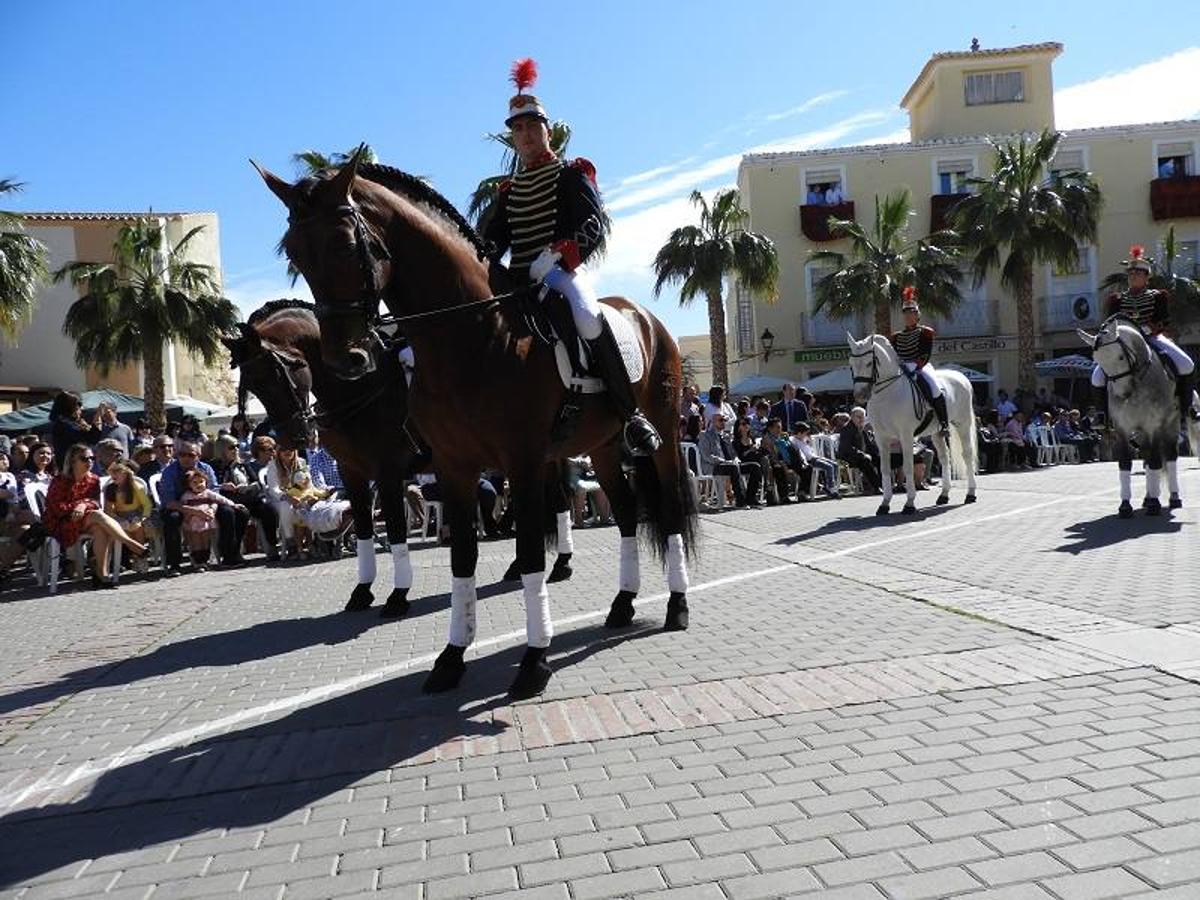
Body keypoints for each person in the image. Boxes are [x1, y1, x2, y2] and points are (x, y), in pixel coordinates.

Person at [482, 58, 660, 455]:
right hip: (518, 277)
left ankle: (629, 414)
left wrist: (558, 256)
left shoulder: (570, 173)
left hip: (560, 272)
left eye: (532, 126)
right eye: (518, 130)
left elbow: (591, 224)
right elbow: (491, 240)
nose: (525, 135)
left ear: (548, 130)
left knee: (586, 314)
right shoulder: (508, 191)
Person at [1092, 245, 1199, 424]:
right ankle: (1102, 417)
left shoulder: (1158, 296)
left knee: (1186, 364)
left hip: (1153, 338)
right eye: (1130, 273)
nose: (1133, 276)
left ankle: (1187, 408)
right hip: (1124, 342)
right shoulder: (1116, 299)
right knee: (1097, 376)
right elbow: (1110, 323)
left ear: (1146, 277)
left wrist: (1149, 329)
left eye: (1138, 273)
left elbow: (1164, 321)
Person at [44, 444, 146, 587]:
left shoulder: (93, 479)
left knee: (100, 527)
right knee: (97, 516)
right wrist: (79, 506)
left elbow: (95, 502)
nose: (90, 462)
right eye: (84, 459)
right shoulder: (60, 480)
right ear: (72, 461)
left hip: (86, 519)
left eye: (92, 458)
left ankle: (102, 575)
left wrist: (83, 505)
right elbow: (56, 508)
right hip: (62, 521)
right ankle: (132, 545)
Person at [158, 440, 248, 574]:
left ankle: (230, 555)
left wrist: (211, 509)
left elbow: (214, 493)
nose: (186, 458)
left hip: (207, 504)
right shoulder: (169, 472)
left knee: (231, 511)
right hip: (179, 506)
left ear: (198, 456)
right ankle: (174, 564)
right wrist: (194, 511)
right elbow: (169, 502)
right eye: (182, 455)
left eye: (191, 455)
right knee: (172, 518)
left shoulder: (206, 468)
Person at [889, 286, 949, 437]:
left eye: (911, 313)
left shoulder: (925, 332)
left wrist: (916, 366)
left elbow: (925, 353)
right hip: (902, 367)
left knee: (934, 387)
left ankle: (944, 423)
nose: (908, 316)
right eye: (906, 314)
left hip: (920, 366)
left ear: (917, 315)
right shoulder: (896, 336)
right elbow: (894, 355)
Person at [212, 434, 279, 559]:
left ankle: (272, 546)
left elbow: (257, 482)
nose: (236, 450)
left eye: (237, 446)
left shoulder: (243, 464)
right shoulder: (215, 467)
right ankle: (232, 552)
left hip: (248, 498)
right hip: (227, 501)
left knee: (268, 509)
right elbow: (210, 486)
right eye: (232, 447)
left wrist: (247, 487)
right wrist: (223, 486)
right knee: (238, 513)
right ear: (222, 450)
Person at [179, 469, 245, 572]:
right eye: (194, 483)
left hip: (206, 522)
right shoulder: (186, 496)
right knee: (196, 541)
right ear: (189, 485)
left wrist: (233, 504)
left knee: (205, 540)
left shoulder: (208, 493)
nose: (198, 485)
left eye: (201, 481)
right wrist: (186, 516)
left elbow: (221, 499)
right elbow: (183, 507)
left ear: (206, 482)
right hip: (193, 523)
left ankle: (205, 560)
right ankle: (198, 561)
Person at [696, 412, 762, 508]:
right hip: (714, 466)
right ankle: (740, 501)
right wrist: (724, 461)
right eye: (720, 420)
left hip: (731, 465)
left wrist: (736, 459)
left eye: (724, 420)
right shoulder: (705, 435)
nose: (723, 422)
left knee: (755, 466)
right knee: (733, 468)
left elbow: (733, 453)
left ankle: (750, 498)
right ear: (713, 422)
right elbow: (707, 456)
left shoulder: (726, 436)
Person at [103, 461, 155, 573]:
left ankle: (140, 558)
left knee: (138, 528)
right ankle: (138, 554)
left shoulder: (136, 486)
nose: (114, 475)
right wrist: (119, 519)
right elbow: (108, 510)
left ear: (126, 473)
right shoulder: (111, 489)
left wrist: (144, 517)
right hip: (119, 516)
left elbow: (147, 505)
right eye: (112, 472)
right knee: (124, 530)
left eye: (117, 471)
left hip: (136, 514)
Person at [265, 445, 309, 560]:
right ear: (278, 452)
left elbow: (308, 482)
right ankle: (291, 543)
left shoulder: (301, 462)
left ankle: (312, 543)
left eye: (290, 448)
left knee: (309, 504)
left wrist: (301, 495)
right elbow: (273, 489)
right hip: (279, 499)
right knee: (286, 506)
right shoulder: (273, 465)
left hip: (300, 495)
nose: (287, 451)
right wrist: (288, 497)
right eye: (284, 449)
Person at [48, 392, 102, 469]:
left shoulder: (69, 423)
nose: (81, 410)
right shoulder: (63, 425)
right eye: (78, 407)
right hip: (70, 468)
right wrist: (98, 416)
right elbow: (92, 438)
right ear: (69, 408)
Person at [835, 407, 882, 494]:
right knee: (865, 461)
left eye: (863, 417)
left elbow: (869, 445)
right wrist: (862, 454)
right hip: (848, 456)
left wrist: (878, 453)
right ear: (852, 417)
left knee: (879, 459)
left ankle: (883, 485)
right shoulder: (847, 429)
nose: (861, 419)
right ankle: (876, 487)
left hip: (859, 454)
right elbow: (846, 447)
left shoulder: (862, 428)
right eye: (858, 417)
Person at [791, 424, 840, 499]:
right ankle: (831, 488)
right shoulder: (793, 441)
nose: (806, 435)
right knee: (829, 467)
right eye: (805, 433)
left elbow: (810, 450)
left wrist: (808, 442)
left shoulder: (803, 439)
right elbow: (801, 453)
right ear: (799, 433)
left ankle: (830, 485)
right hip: (809, 460)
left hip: (815, 457)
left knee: (835, 465)